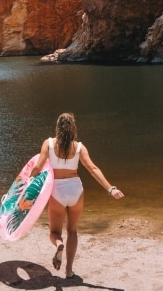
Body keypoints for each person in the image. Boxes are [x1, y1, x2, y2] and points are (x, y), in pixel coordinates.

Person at [31, 112, 124, 278]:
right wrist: (111, 189)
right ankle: (69, 270)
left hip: (57, 191)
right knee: (72, 231)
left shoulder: (49, 144)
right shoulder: (80, 147)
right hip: (75, 190)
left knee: (54, 232)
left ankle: (59, 244)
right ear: (73, 128)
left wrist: (24, 185)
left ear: (57, 127)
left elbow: (37, 168)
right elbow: (93, 169)